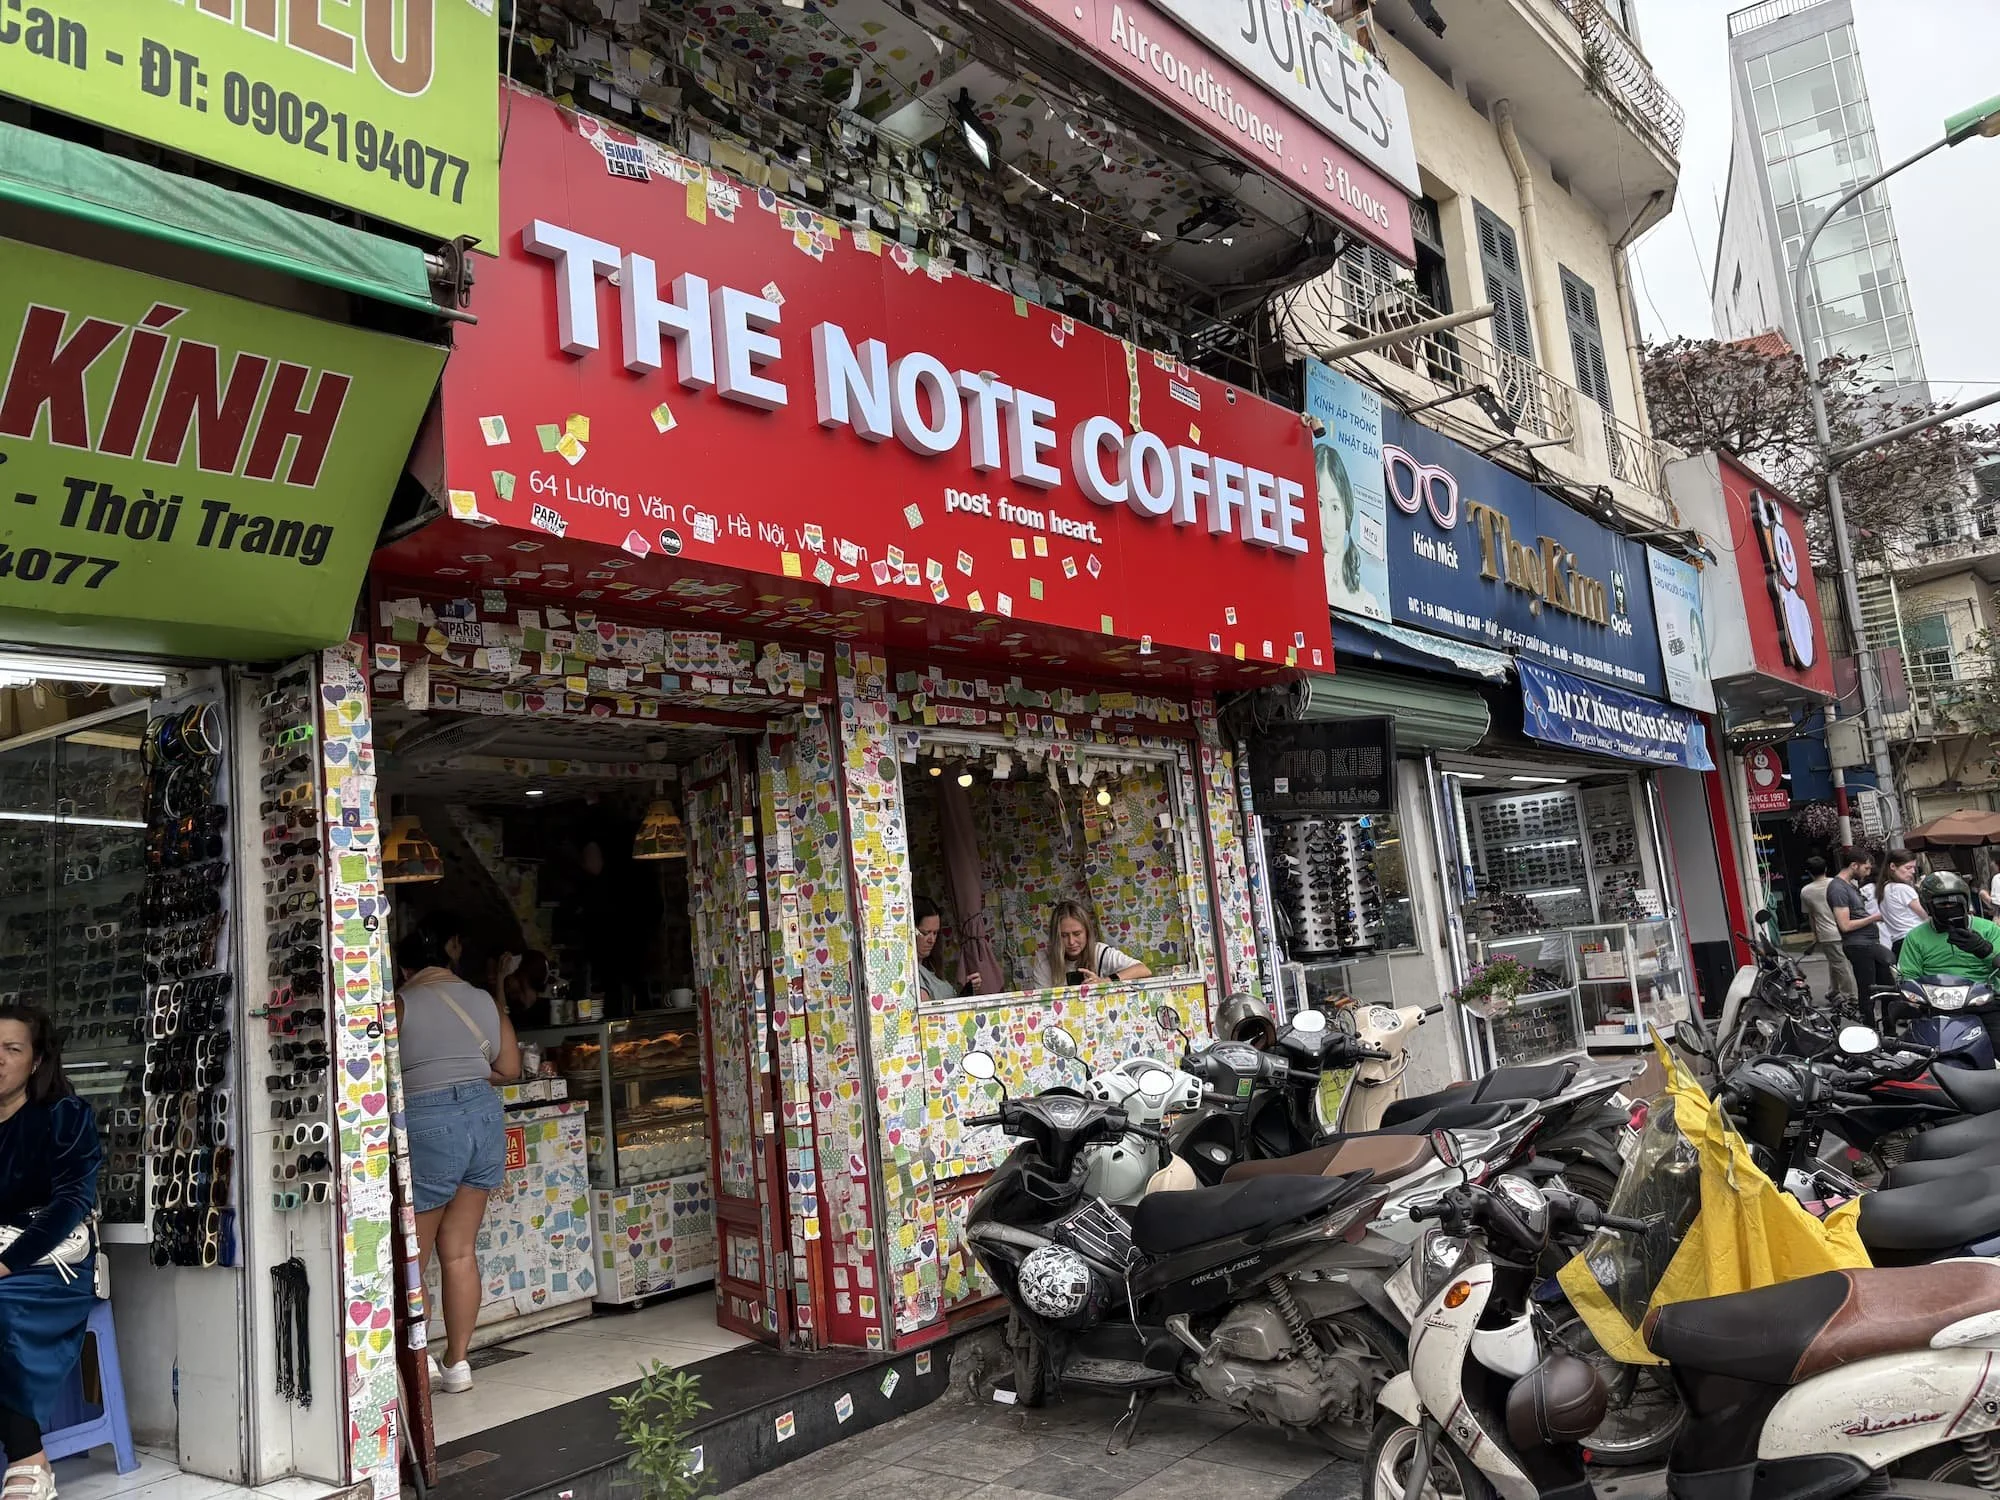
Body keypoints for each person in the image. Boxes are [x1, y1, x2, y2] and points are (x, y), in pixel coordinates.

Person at [396, 912, 520, 1396]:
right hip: (484, 1119)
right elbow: (508, 1067)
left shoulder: (401, 1005)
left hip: (428, 1124)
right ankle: (459, 1364)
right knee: (460, 1252)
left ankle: (416, 1362)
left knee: (413, 1255)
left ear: (406, 970)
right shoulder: (483, 999)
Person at [0, 1005, 100, 1500]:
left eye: (11, 1049)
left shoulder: (65, 1116)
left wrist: (7, 1261)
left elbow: (70, 1202)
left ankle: (28, 1457)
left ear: (36, 1061)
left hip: (52, 1264)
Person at [1829, 846, 1894, 1026]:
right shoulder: (1838, 889)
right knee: (1867, 991)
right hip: (1859, 945)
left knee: (1887, 986)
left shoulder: (1850, 886)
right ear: (1854, 866)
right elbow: (1845, 924)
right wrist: (1875, 917)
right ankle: (1871, 1031)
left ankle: (1889, 1030)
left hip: (1870, 943)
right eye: (1865, 868)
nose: (1868, 872)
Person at [1900, 871, 2000, 986]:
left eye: (1954, 903)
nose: (1948, 908)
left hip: (1982, 994)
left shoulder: (1989, 929)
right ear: (1928, 907)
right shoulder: (1915, 936)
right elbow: (1908, 977)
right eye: (1941, 904)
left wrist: (1985, 950)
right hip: (1933, 996)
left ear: (1965, 903)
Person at [1032, 901, 1150, 989]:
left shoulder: (1099, 951)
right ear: (1055, 936)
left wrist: (1105, 981)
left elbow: (1143, 970)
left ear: (1087, 932)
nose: (1071, 941)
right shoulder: (1044, 960)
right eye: (1064, 935)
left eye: (1077, 934)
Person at [1798, 856, 1858, 1003]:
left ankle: (1851, 996)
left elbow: (1811, 916)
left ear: (1809, 872)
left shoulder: (1806, 891)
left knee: (1839, 964)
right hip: (1848, 928)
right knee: (1837, 962)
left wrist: (1815, 935)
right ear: (1826, 869)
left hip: (1827, 933)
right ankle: (1834, 990)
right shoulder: (1838, 884)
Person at [913, 898, 981, 1003]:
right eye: (925, 933)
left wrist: (967, 991)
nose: (932, 940)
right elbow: (929, 1012)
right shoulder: (912, 973)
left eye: (935, 933)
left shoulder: (932, 969)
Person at [1878, 851, 1927, 960]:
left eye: (1914, 868)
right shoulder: (1902, 889)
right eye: (1908, 867)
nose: (1913, 871)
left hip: (1898, 942)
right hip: (1915, 939)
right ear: (1892, 866)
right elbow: (1925, 914)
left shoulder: (1884, 889)